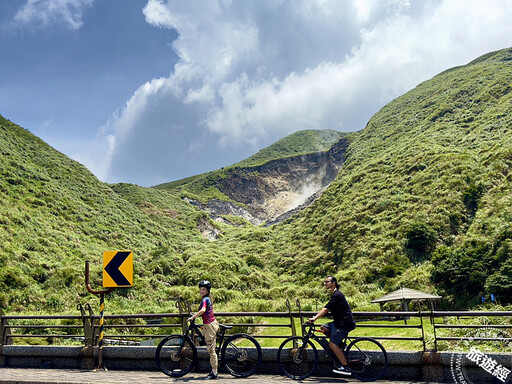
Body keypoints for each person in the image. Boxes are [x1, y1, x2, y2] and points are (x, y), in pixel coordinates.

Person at [309, 276, 356, 376]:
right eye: (324, 282)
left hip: (344, 324)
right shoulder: (334, 294)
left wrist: (314, 318)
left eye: (327, 282)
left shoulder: (337, 295)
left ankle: (345, 366)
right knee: (324, 328)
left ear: (333, 283)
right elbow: (328, 308)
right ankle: (339, 345)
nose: (325, 283)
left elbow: (326, 309)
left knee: (332, 344)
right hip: (338, 323)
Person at [187, 280, 220, 380]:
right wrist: (195, 314)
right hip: (210, 324)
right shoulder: (207, 299)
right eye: (200, 289)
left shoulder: (205, 299)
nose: (201, 291)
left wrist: (193, 317)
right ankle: (213, 370)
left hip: (209, 326)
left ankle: (214, 373)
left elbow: (203, 310)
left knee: (211, 349)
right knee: (211, 348)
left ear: (207, 291)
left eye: (203, 289)